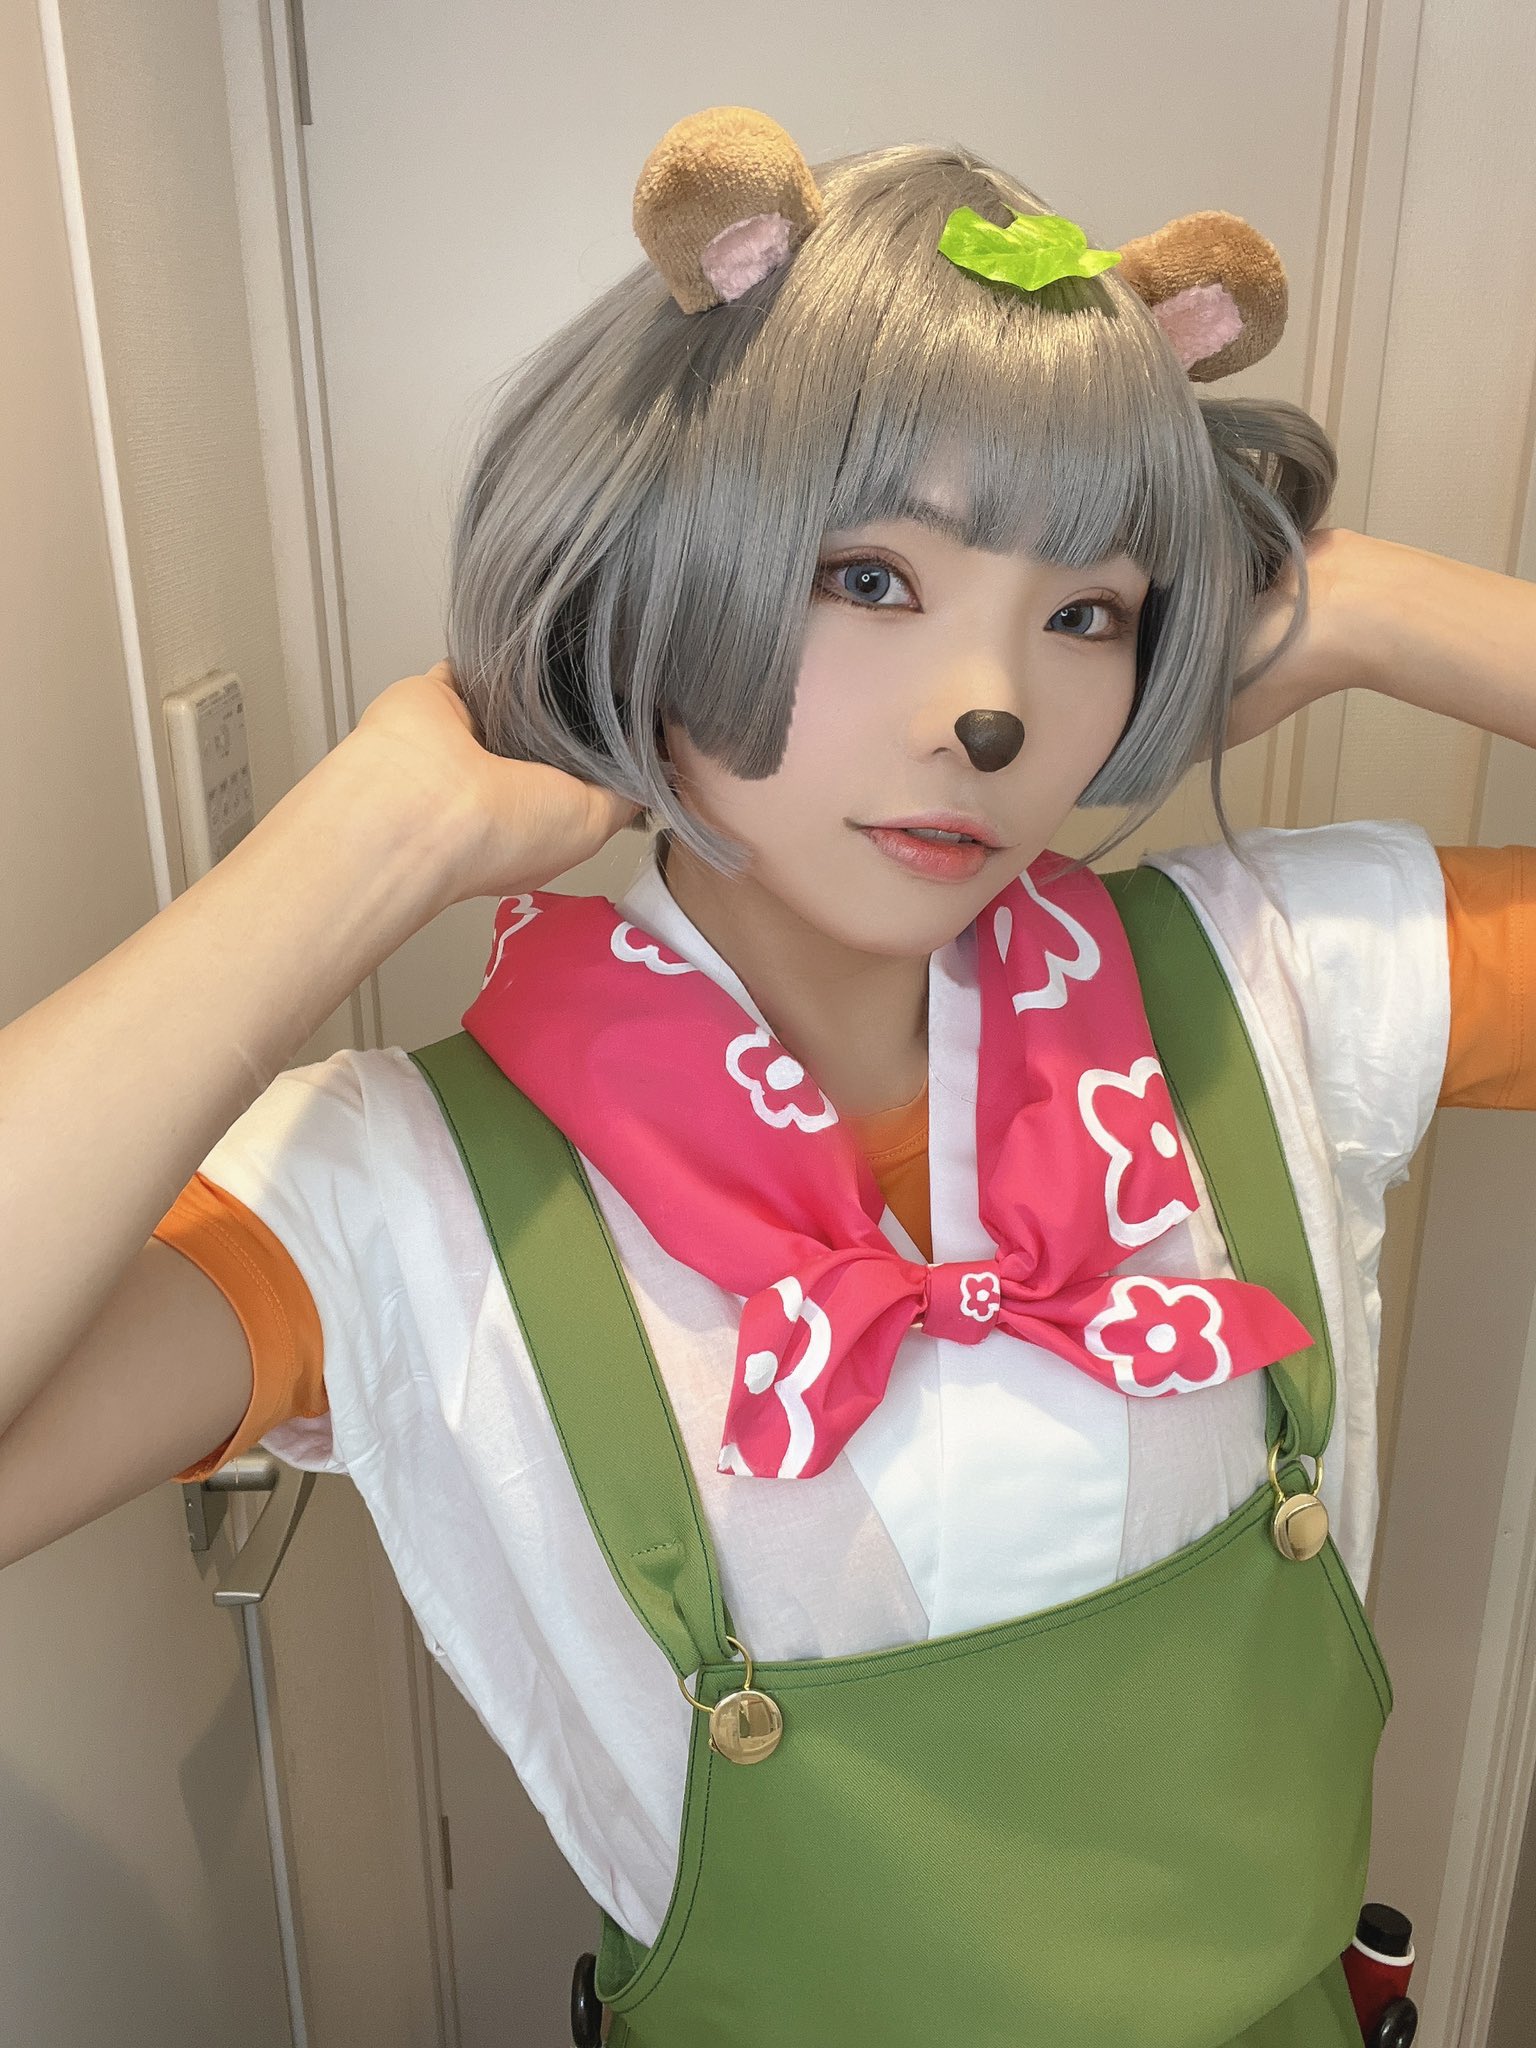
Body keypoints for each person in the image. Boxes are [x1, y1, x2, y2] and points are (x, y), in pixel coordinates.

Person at [1, 109, 1532, 2045]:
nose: (990, 706)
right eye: (866, 576)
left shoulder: (1272, 986)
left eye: (1088, 609)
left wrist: (1365, 605)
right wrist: (362, 839)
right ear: (666, 566)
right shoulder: (410, 1191)